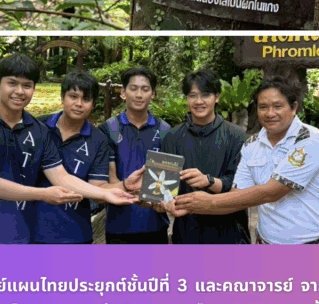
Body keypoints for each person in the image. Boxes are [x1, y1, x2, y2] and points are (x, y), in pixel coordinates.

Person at [0, 54, 135, 245]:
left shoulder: (40, 130)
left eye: (27, 86)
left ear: (34, 89)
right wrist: (43, 194)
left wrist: (106, 194)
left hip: (18, 237)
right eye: (12, 83)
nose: (19, 91)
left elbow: (61, 176)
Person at [158, 75, 319, 244]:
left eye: (278, 106)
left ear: (293, 108)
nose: (270, 113)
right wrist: (187, 205)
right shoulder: (252, 144)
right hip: (265, 242)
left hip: (312, 243)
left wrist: (208, 195)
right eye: (263, 107)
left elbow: (271, 192)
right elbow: (238, 195)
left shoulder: (309, 139)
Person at [160, 69, 249, 244]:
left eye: (205, 95)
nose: (199, 101)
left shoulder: (236, 135)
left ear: (217, 97)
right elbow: (162, 187)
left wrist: (208, 180)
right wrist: (166, 202)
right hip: (187, 231)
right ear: (186, 98)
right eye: (193, 95)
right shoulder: (172, 136)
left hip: (230, 231)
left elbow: (242, 186)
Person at [34, 71, 113, 244]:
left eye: (86, 99)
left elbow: (97, 189)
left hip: (75, 233)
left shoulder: (98, 140)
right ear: (62, 98)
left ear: (93, 104)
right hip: (31, 230)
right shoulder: (36, 127)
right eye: (73, 96)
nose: (79, 104)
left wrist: (123, 189)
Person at [100, 67, 171, 244]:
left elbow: (165, 185)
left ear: (153, 94)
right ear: (123, 92)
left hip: (155, 225)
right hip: (119, 225)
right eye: (133, 88)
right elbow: (107, 181)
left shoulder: (165, 131)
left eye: (145, 89)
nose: (139, 95)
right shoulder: (108, 130)